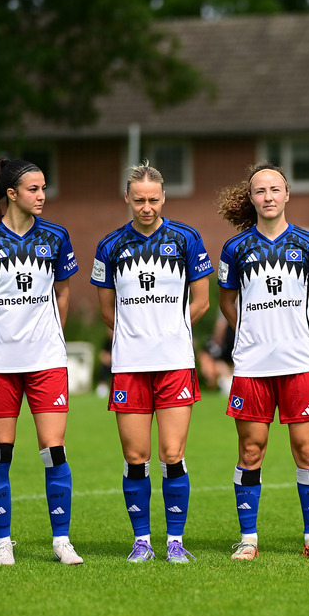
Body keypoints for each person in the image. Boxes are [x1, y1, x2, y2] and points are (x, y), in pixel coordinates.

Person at [0, 158, 82, 566]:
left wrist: (55, 338)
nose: (42, 195)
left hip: (46, 361)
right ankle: (3, 542)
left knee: (54, 450)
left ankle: (61, 541)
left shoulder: (57, 236)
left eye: (44, 187)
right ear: (12, 193)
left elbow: (63, 293)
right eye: (33, 189)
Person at [91, 162, 213, 564]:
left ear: (164, 198)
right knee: (135, 456)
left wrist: (172, 329)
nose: (147, 207)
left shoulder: (187, 239)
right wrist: (135, 335)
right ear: (127, 198)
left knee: (172, 452)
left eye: (154, 200)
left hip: (175, 361)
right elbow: (106, 309)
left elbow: (202, 301)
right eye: (139, 200)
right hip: (129, 365)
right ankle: (141, 540)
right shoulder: (109, 246)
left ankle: (175, 541)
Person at [217, 163, 309, 561]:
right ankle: (248, 539)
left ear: (287, 195)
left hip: (300, 362)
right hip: (252, 367)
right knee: (251, 450)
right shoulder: (235, 249)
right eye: (260, 191)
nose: (268, 197)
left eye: (274, 189)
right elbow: (227, 302)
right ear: (251, 199)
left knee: (306, 450)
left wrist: (299, 329)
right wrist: (251, 335)